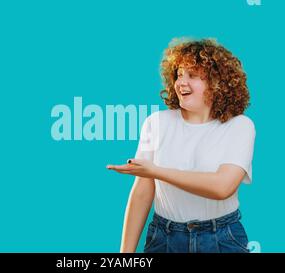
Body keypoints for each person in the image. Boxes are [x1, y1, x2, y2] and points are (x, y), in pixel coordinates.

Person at [107, 38, 256, 253]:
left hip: (222, 238)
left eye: (193, 76)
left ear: (217, 83)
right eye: (179, 75)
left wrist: (156, 171)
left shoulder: (239, 126)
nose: (181, 83)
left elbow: (222, 187)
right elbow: (142, 192)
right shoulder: (156, 123)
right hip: (164, 238)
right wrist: (125, 255)